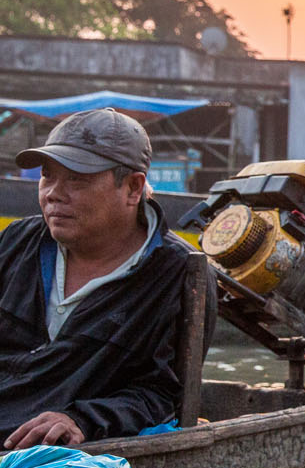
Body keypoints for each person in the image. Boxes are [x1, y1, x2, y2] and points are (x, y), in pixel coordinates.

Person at [0, 108, 207, 448]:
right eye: (47, 176)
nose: (53, 193)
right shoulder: (17, 242)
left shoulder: (176, 273)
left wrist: (81, 420)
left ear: (132, 188)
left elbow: (163, 395)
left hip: (52, 453)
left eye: (77, 180)